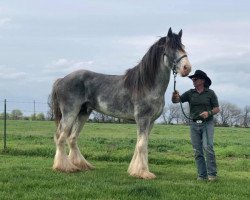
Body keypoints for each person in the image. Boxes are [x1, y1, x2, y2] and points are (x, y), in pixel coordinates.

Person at [172, 70, 220, 181]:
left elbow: (217, 108)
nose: (193, 80)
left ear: (202, 80)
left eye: (195, 78)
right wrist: (174, 96)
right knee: (197, 151)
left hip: (207, 124)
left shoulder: (210, 93)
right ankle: (202, 176)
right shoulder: (190, 93)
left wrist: (209, 113)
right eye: (193, 79)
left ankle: (212, 174)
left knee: (208, 147)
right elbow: (176, 100)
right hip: (194, 124)